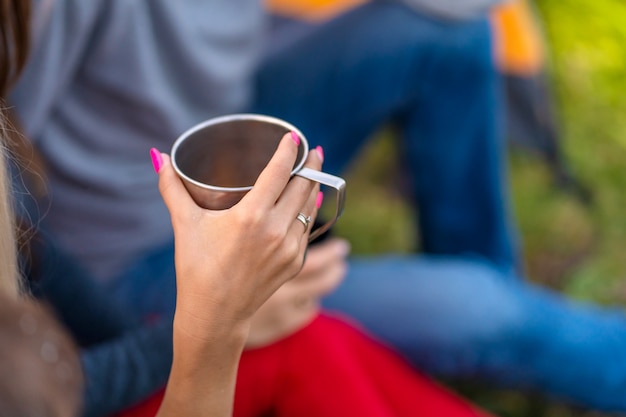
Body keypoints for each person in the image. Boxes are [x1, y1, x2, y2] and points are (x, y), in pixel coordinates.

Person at [12, 0, 626, 413]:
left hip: (232, 119)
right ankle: (490, 317)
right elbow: (12, 156)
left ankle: (476, 283)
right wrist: (214, 304)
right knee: (491, 314)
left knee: (450, 36)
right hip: (133, 264)